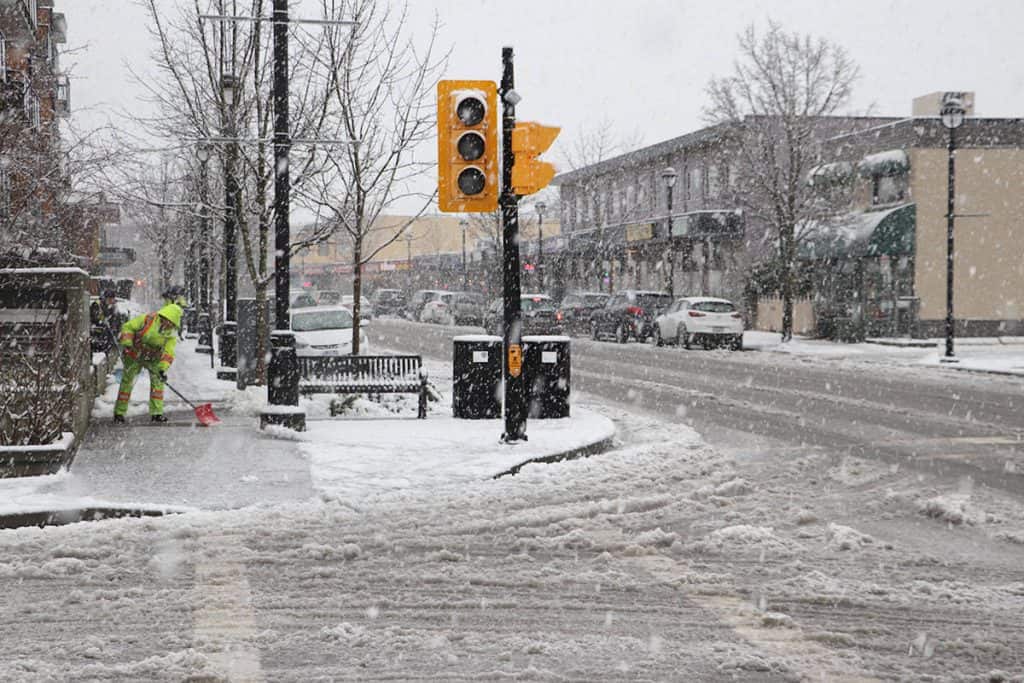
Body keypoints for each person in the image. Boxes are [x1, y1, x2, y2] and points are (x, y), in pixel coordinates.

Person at [113, 303, 182, 423]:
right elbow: (128, 327)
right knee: (127, 382)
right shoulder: (147, 319)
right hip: (135, 354)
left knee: (158, 384)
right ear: (164, 317)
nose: (169, 325)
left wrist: (162, 368)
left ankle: (157, 414)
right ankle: (119, 412)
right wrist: (127, 343)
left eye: (172, 324)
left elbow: (168, 353)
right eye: (168, 321)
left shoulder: (171, 333)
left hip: (153, 357)